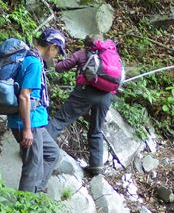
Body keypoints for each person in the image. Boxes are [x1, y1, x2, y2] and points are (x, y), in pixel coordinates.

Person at [47, 35, 116, 175]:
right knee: (96, 129)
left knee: (60, 119)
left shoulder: (83, 53)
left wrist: (56, 64)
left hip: (86, 92)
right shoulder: (110, 54)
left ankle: (39, 146)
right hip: (106, 96)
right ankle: (96, 166)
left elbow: (61, 68)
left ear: (86, 44)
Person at [8, 28, 64, 193]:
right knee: (32, 169)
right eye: (57, 51)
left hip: (35, 121)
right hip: (29, 122)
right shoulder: (34, 63)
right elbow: (24, 96)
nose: (56, 56)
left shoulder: (29, 57)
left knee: (52, 153)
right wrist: (27, 129)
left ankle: (35, 192)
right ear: (52, 46)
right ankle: (24, 205)